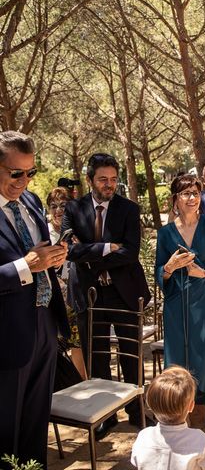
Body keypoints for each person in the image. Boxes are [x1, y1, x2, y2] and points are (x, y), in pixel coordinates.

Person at [63, 152, 151, 436]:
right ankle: (106, 414)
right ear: (90, 180)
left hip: (124, 292)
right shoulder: (72, 209)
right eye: (103, 179)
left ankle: (137, 410)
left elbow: (130, 252)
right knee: (96, 357)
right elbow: (70, 251)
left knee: (130, 354)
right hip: (89, 295)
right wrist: (105, 248)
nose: (109, 184)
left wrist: (88, 254)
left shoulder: (128, 208)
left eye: (113, 179)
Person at [0, 131, 70, 468]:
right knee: (7, 428)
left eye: (31, 173)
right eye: (15, 173)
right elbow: (26, 262)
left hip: (45, 321)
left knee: (35, 422)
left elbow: (39, 253)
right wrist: (23, 266)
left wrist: (54, 256)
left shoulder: (32, 202)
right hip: (7, 334)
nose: (23, 182)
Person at [155, 174, 205, 437]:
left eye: (195, 193)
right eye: (186, 193)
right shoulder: (165, 233)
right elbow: (159, 273)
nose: (192, 198)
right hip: (178, 303)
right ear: (175, 199)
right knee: (178, 358)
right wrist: (169, 267)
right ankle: (178, 415)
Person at [131, 366, 205, 470]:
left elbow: (137, 465)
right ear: (191, 406)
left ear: (150, 405)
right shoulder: (201, 440)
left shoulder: (143, 437)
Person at [47, 186, 86, 380]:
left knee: (77, 345)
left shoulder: (77, 231)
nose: (58, 210)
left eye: (63, 205)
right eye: (53, 206)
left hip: (74, 298)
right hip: (51, 301)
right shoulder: (43, 234)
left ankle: (82, 385)